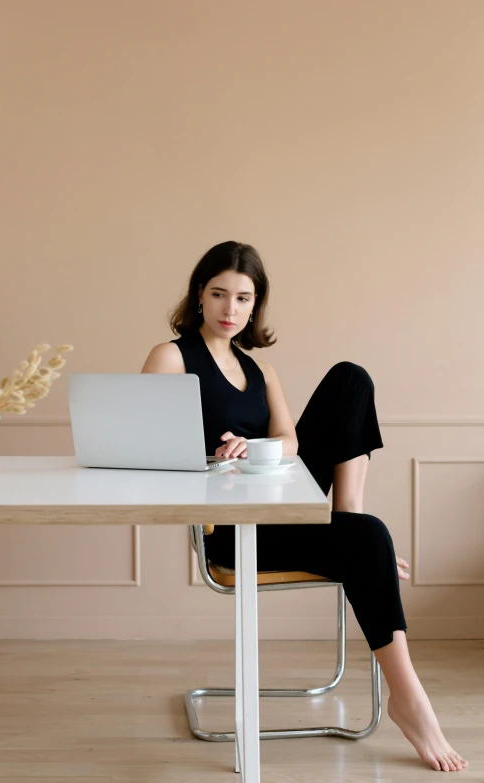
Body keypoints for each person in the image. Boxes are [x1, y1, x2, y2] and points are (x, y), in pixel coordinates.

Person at [141, 240, 468, 773]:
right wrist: (216, 458)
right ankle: (409, 698)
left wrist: (259, 449)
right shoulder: (172, 357)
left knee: (350, 379)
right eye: (219, 294)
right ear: (199, 295)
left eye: (243, 298)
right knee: (369, 541)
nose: (230, 309)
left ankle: (348, 524)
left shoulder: (261, 371)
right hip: (232, 525)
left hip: (281, 502)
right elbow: (146, 448)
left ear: (255, 305)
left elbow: (289, 441)